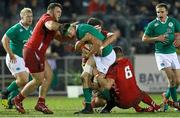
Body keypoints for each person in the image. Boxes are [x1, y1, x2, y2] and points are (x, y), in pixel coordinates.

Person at [12, 3, 65, 114]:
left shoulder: (53, 23)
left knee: (49, 76)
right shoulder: (46, 17)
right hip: (32, 51)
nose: (59, 14)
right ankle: (17, 100)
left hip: (38, 53)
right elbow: (51, 25)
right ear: (50, 11)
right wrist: (63, 26)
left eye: (60, 12)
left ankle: (40, 103)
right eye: (57, 11)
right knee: (38, 80)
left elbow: (60, 38)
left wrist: (73, 37)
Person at [63, 21, 116, 114]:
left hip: (105, 58)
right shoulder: (80, 33)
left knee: (98, 85)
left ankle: (111, 102)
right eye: (68, 34)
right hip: (96, 56)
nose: (70, 34)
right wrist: (85, 56)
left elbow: (100, 42)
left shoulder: (83, 31)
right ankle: (88, 107)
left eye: (69, 31)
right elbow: (87, 50)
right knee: (84, 77)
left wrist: (89, 53)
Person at [94, 46, 161, 113]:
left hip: (123, 103)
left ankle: (105, 108)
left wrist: (97, 75)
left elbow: (107, 86)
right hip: (137, 99)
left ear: (113, 56)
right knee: (139, 93)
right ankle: (156, 107)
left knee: (108, 89)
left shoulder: (114, 67)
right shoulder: (128, 61)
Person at [142, 3, 180, 111]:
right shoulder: (152, 24)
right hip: (161, 54)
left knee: (177, 81)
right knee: (171, 79)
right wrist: (157, 38)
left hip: (172, 53)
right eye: (158, 12)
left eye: (162, 11)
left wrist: (178, 39)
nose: (160, 14)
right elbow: (144, 39)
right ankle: (176, 103)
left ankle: (165, 98)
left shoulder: (173, 21)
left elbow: (178, 33)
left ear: (167, 12)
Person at [1, 8, 33, 109]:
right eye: (28, 16)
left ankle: (11, 101)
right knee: (23, 80)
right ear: (22, 17)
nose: (30, 18)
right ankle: (5, 93)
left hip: (24, 59)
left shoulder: (31, 30)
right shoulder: (16, 28)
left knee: (27, 81)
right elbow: (4, 40)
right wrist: (10, 54)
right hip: (15, 57)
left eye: (31, 16)